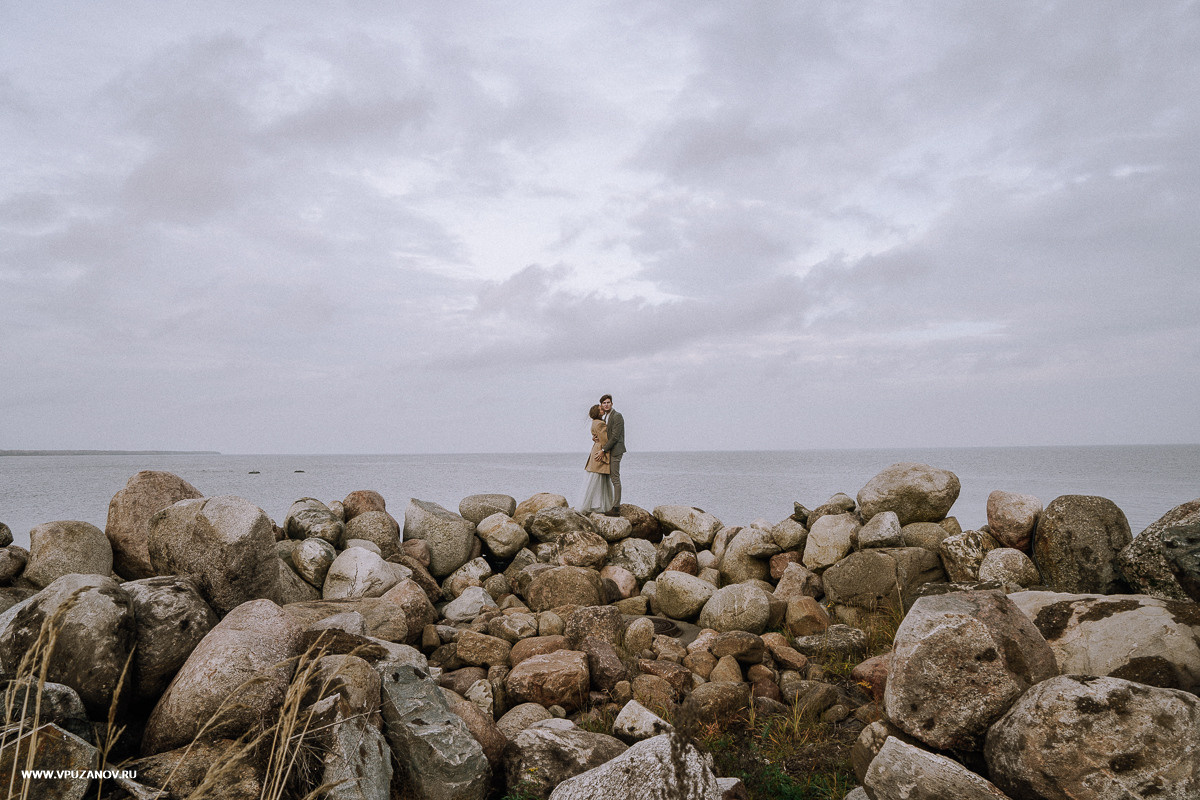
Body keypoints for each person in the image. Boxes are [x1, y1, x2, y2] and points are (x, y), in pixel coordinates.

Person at [579, 404, 614, 514]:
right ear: (597, 412)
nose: (603, 409)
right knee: (598, 479)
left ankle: (595, 505)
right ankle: (598, 506)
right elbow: (605, 439)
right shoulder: (600, 423)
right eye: (600, 409)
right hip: (600, 451)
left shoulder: (594, 423)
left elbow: (598, 436)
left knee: (596, 479)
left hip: (596, 449)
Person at [597, 393, 625, 515]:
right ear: (601, 405)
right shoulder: (605, 417)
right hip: (609, 450)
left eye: (608, 402)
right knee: (606, 478)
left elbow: (614, 437)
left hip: (616, 450)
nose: (606, 404)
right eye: (604, 403)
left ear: (612, 404)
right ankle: (608, 504)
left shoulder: (617, 416)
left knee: (615, 478)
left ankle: (616, 508)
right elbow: (606, 435)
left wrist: (603, 450)